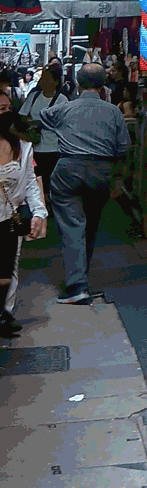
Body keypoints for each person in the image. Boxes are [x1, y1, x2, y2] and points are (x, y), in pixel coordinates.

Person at [41, 63, 130, 304]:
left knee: (72, 226)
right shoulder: (114, 112)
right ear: (104, 86)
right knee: (90, 226)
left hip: (68, 169)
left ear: (78, 85)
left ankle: (77, 286)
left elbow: (42, 117)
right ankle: (82, 279)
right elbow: (123, 148)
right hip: (101, 172)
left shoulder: (65, 108)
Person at [0, 108, 48, 336]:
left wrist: (39, 212)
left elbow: (30, 181)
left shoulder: (24, 147)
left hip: (10, 216)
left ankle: (4, 314)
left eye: (7, 108)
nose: (6, 113)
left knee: (8, 270)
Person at [20, 65, 63, 189]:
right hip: (34, 148)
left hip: (54, 150)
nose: (42, 82)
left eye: (47, 79)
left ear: (55, 82)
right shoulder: (34, 97)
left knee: (50, 184)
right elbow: (22, 116)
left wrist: (40, 123)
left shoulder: (62, 100)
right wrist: (29, 124)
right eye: (42, 78)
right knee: (35, 183)